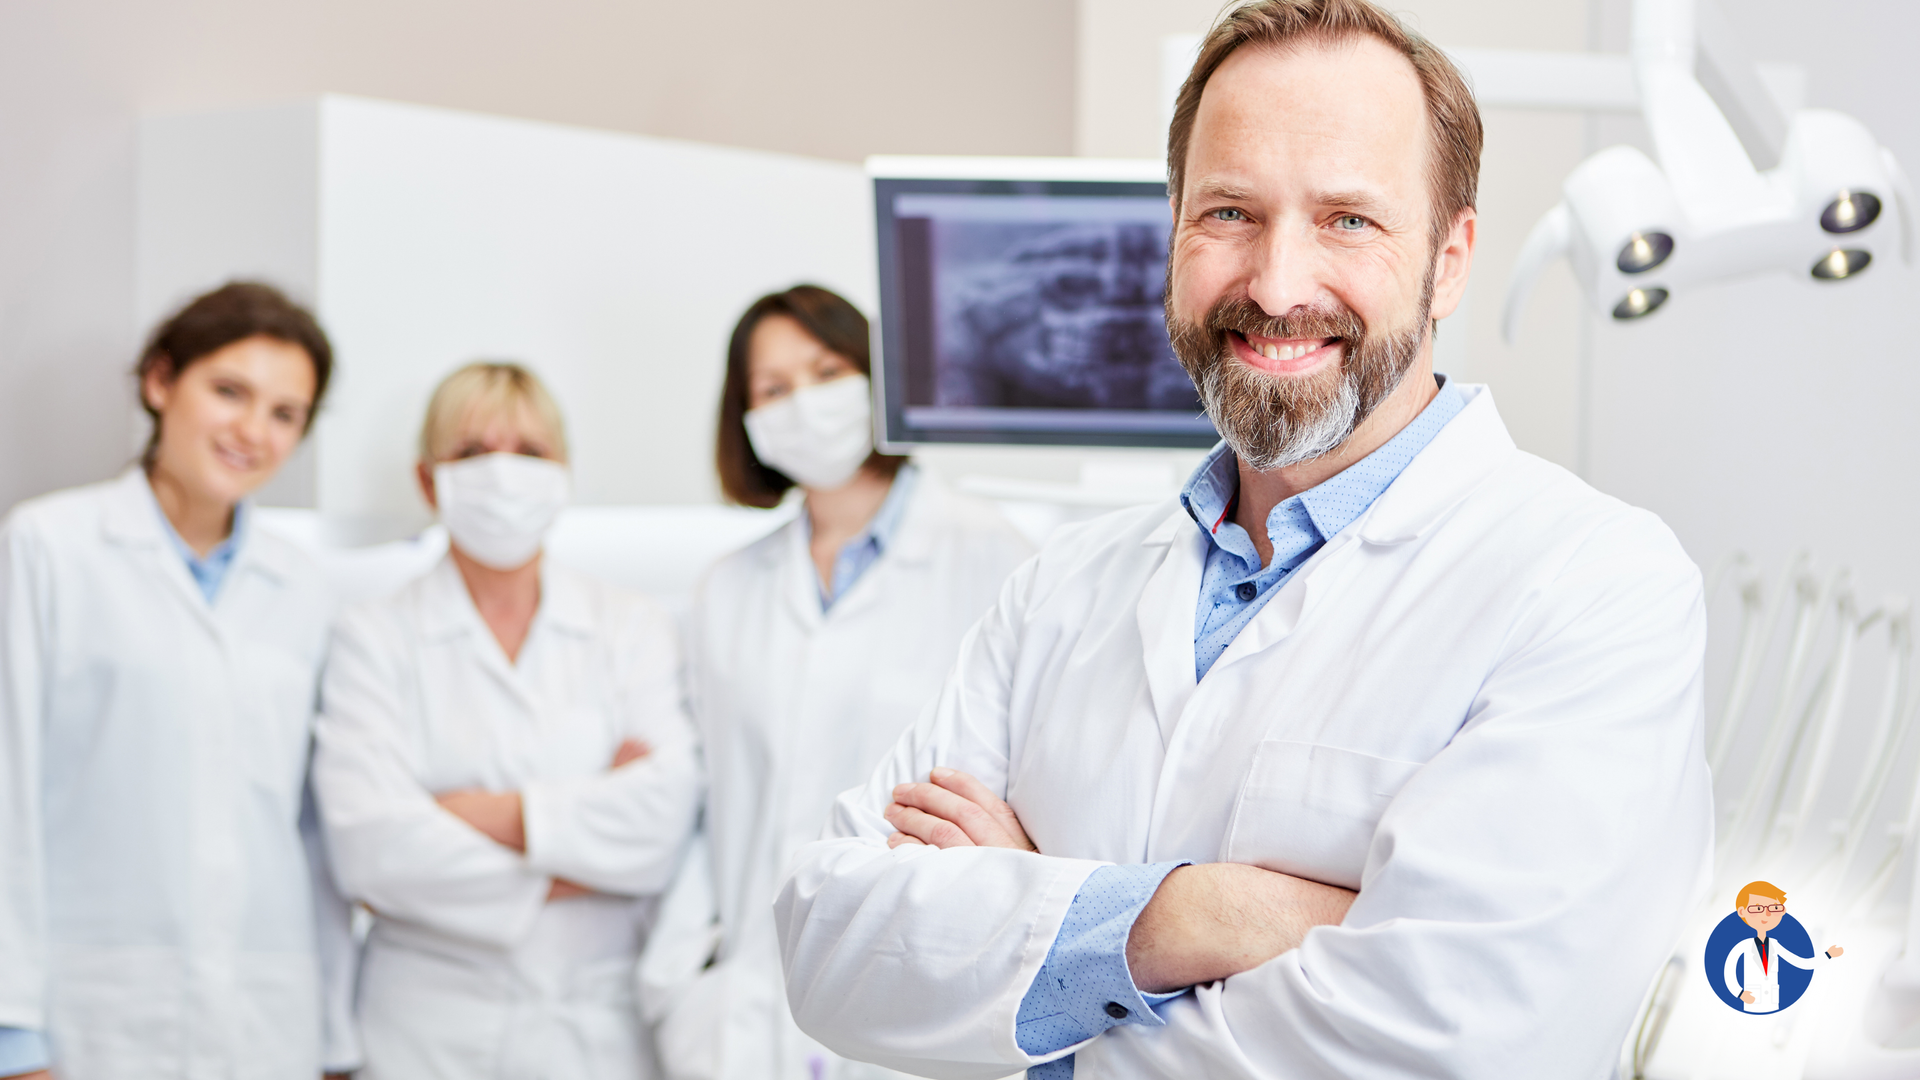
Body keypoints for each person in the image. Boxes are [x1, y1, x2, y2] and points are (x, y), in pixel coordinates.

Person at [773, 3, 1714, 1078]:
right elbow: (829, 936)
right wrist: (1198, 914)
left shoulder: (1594, 586)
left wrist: (1037, 962)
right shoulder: (1061, 589)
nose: (1274, 284)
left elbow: (1461, 1046)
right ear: (1172, 231)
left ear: (1449, 260)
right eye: (1229, 211)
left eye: (1348, 220)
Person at [640, 285, 1033, 1080]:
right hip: (745, 1005)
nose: (804, 405)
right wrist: (684, 980)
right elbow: (709, 807)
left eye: (826, 371)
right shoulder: (730, 587)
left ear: (877, 377)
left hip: (921, 992)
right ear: (743, 418)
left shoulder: (997, 558)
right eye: (773, 389)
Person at [0, 282, 357, 1079]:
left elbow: (314, 835)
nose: (251, 431)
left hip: (269, 1018)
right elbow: (4, 792)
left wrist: (336, 1037)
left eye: (284, 413)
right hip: (92, 1014)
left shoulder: (307, 590)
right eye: (229, 391)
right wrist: (12, 1032)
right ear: (161, 382)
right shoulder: (47, 548)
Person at [312, 362, 700, 1079]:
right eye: (472, 452)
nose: (504, 474)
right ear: (428, 481)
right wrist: (581, 848)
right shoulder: (374, 635)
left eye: (530, 452)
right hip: (425, 1033)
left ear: (564, 476)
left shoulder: (632, 626)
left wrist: (465, 812)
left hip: (598, 1029)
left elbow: (660, 825)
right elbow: (370, 849)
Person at [1723, 881, 1843, 1014]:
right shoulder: (1742, 946)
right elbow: (1728, 971)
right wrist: (1740, 993)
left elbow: (1801, 962)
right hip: (1751, 1004)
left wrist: (1828, 955)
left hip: (1771, 1003)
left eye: (1773, 909)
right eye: (1757, 909)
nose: (1766, 915)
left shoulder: (1775, 945)